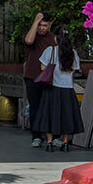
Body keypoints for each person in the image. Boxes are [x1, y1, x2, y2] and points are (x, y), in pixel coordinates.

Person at [32, 26, 84, 153]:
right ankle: (65, 143)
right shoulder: (73, 53)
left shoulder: (50, 50)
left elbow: (43, 68)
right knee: (66, 116)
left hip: (52, 88)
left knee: (49, 116)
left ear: (56, 38)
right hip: (67, 89)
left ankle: (49, 143)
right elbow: (74, 70)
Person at [23, 12, 55, 148]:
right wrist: (35, 22)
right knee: (35, 107)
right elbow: (28, 41)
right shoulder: (32, 35)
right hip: (32, 77)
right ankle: (36, 136)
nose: (42, 28)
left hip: (50, 78)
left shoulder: (53, 38)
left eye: (44, 25)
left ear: (49, 26)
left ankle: (53, 136)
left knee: (50, 107)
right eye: (40, 25)